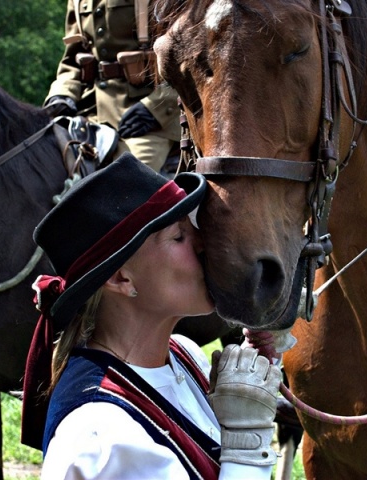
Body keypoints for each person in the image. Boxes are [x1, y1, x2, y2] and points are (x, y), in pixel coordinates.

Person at [21, 152, 282, 479]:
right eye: (179, 236)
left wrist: (268, 348)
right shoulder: (100, 439)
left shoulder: (184, 355)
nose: (203, 244)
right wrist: (246, 446)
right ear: (121, 278)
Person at [43, 0, 180, 172]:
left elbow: (188, 59)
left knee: (130, 180)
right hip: (90, 110)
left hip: (150, 119)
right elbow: (72, 59)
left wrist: (156, 109)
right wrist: (62, 94)